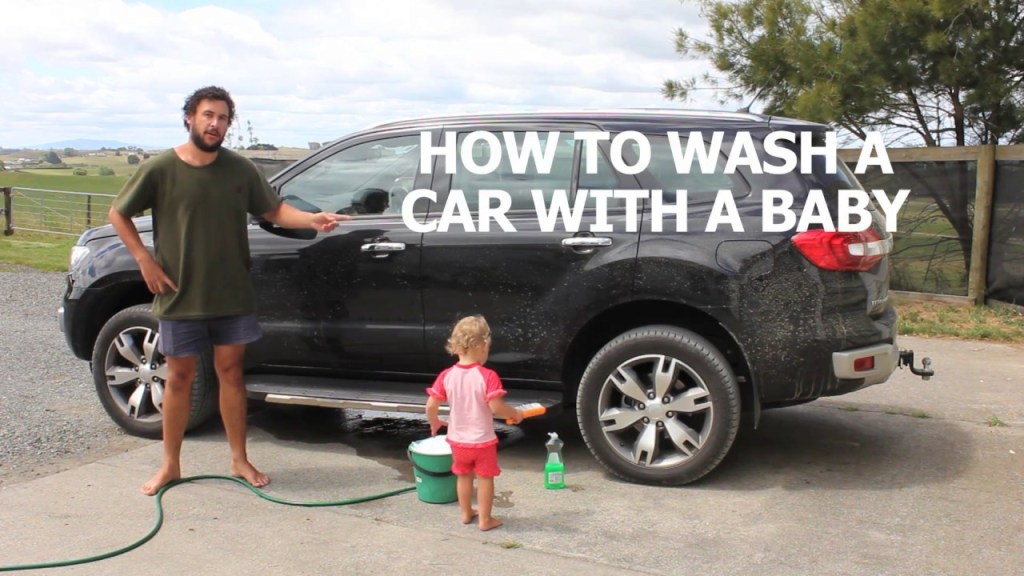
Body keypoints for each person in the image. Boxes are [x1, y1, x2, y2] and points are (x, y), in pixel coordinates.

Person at [107, 85, 350, 496]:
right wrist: (144, 260)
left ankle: (239, 459)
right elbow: (119, 212)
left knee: (231, 375)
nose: (215, 123)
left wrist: (311, 219)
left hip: (232, 294)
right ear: (190, 118)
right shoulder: (162, 168)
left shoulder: (240, 169)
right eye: (207, 115)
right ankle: (170, 465)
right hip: (180, 293)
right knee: (180, 378)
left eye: (222, 118)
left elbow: (273, 209)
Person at [425, 315, 523, 531]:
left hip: (458, 441)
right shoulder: (487, 376)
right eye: (488, 347)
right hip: (482, 442)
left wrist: (435, 422)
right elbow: (496, 408)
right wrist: (515, 413)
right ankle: (485, 520)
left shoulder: (446, 375)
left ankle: (466, 512)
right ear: (481, 346)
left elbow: (431, 406)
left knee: (463, 476)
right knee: (486, 478)